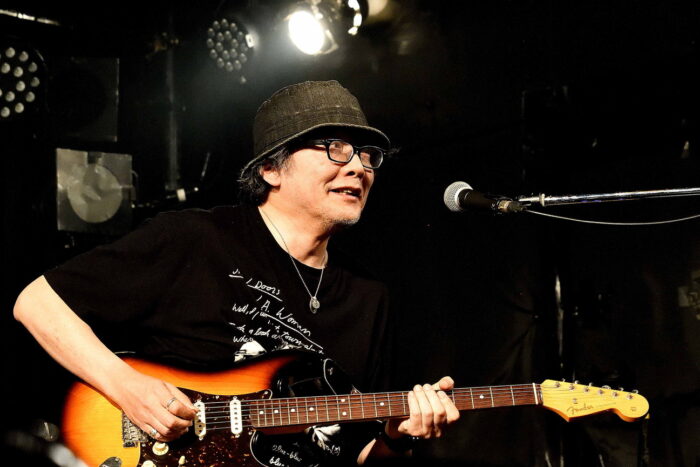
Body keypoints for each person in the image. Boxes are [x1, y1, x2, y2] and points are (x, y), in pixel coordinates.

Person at [14, 80, 459, 465]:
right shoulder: (196, 238)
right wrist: (127, 387)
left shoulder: (369, 297)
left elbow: (356, 454)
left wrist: (398, 439)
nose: (359, 167)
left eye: (366, 154)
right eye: (335, 148)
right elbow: (36, 303)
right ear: (271, 169)